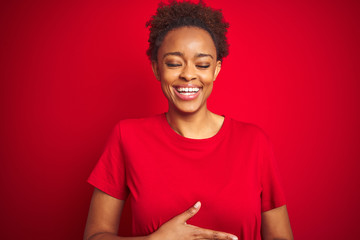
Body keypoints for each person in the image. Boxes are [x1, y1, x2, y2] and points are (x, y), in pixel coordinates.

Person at [83, 1, 294, 239]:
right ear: (156, 69)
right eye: (173, 63)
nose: (188, 74)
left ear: (215, 70)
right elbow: (94, 236)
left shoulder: (254, 142)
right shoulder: (127, 137)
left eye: (202, 64)